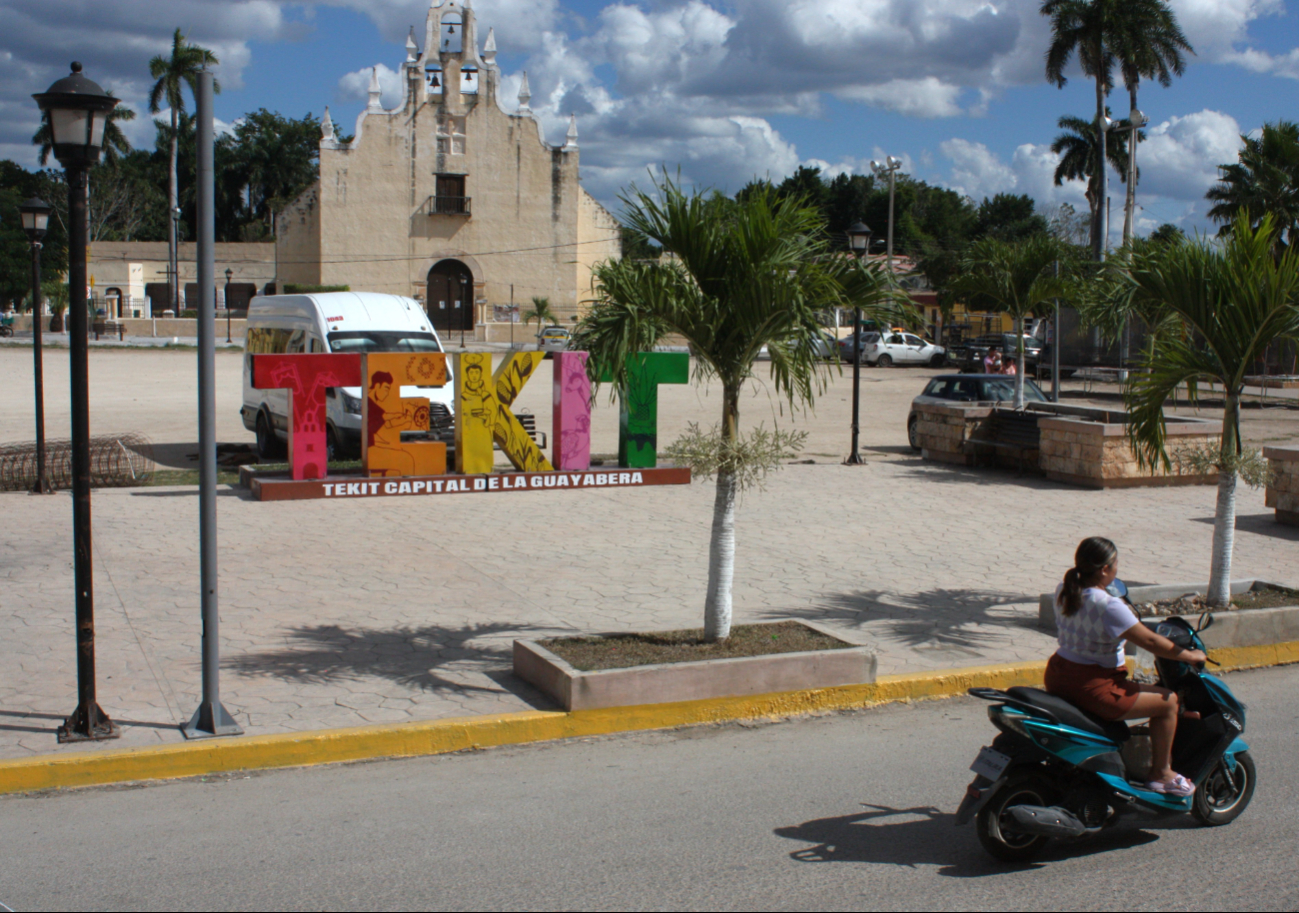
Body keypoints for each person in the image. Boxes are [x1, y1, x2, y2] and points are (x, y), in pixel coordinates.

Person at [1046, 536, 1207, 797]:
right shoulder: (1109, 605)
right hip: (1095, 687)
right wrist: (1190, 656)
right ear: (1105, 570)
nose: (1117, 568)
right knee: (1168, 702)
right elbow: (1150, 640)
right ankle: (1161, 773)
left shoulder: (1063, 590)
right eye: (1115, 563)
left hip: (1058, 675)